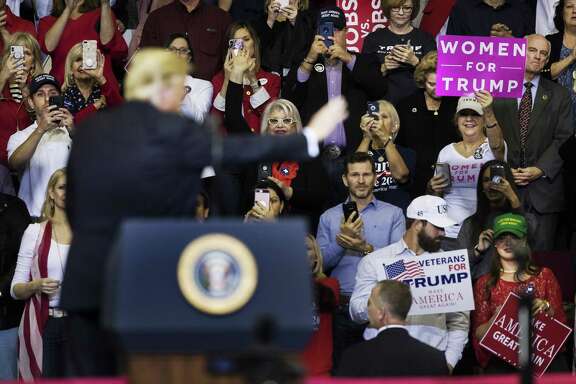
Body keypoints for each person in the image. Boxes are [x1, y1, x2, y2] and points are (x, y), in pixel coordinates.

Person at [59, 48, 349, 377]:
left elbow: (74, 206)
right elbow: (238, 149)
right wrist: (308, 137)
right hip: (143, 285)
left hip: (85, 280)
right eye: (180, 86)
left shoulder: (92, 130)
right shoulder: (172, 130)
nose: (183, 93)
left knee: (89, 378)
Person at [349, 195, 469, 373]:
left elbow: (459, 322)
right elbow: (355, 312)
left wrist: (448, 363)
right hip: (382, 364)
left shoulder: (450, 265)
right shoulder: (376, 261)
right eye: (437, 227)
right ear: (418, 224)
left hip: (431, 364)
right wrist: (386, 294)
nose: (443, 233)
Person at [284, 6, 388, 202]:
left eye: (337, 30)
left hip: (353, 157)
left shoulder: (362, 61)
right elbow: (291, 100)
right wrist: (309, 59)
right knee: (318, 214)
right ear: (316, 34)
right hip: (316, 159)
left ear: (346, 33)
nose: (331, 35)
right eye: (325, 30)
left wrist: (348, 58)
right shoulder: (306, 62)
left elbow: (379, 89)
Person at [316, 152, 405, 370]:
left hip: (380, 308)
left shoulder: (394, 214)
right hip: (340, 308)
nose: (361, 180)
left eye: (366, 174)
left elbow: (399, 266)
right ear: (346, 179)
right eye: (355, 175)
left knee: (381, 372)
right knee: (341, 371)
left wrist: (365, 249)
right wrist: (341, 243)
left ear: (375, 178)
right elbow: (320, 265)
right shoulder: (328, 217)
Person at [492, 34, 574, 251]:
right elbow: (487, 134)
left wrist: (539, 169)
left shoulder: (560, 95)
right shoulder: (496, 89)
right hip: (504, 186)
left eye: (543, 53)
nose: (538, 57)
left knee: (541, 260)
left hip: (544, 192)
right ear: (519, 52)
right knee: (503, 257)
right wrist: (507, 169)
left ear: (547, 61)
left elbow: (564, 137)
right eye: (532, 50)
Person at [472, 213, 567, 372]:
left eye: (514, 237)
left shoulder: (545, 276)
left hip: (540, 360)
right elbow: (478, 335)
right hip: (502, 361)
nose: (508, 243)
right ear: (495, 243)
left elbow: (561, 328)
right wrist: (497, 318)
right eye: (502, 237)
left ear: (524, 241)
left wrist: (545, 307)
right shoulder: (484, 283)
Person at [11, 169, 71, 380]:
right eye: (63, 187)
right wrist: (35, 286)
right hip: (48, 324)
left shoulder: (87, 231)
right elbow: (15, 289)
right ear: (51, 193)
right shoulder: (34, 231)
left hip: (82, 324)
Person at [428, 92, 505, 239]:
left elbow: (499, 148)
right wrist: (432, 187)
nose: (469, 119)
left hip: (483, 230)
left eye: (475, 114)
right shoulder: (446, 151)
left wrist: (488, 110)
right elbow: (437, 196)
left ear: (483, 120)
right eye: (464, 114)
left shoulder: (492, 147)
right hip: (449, 231)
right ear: (457, 120)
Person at [337, 280, 449, 377]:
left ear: (381, 313)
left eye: (370, 303)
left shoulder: (355, 357)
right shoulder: (435, 358)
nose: (368, 308)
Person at [7, 74, 74, 219]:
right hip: (32, 217)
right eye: (40, 94)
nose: (47, 99)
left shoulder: (72, 131)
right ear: (30, 102)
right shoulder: (20, 136)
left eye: (52, 94)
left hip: (69, 217)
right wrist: (41, 129)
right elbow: (14, 163)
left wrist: (74, 131)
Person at [396, 51, 459, 199]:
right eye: (431, 84)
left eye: (442, 83)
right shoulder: (406, 106)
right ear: (422, 81)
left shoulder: (457, 104)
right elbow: (399, 145)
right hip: (415, 182)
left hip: (454, 182)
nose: (437, 88)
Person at [451, 160, 528, 279]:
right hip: (481, 287)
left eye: (497, 179)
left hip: (516, 284)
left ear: (508, 182)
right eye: (486, 180)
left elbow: (532, 237)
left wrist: (512, 197)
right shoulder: (471, 223)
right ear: (481, 186)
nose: (492, 184)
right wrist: (478, 250)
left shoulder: (522, 217)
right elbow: (457, 263)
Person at [37, 0, 127, 88]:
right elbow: (48, 47)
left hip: (98, 86)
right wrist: (68, 9)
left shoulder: (101, 13)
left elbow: (107, 43)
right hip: (64, 87)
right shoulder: (48, 21)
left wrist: (105, 4)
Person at [362, 0, 436, 104]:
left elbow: (437, 78)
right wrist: (383, 68)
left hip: (418, 105)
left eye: (406, 8)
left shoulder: (425, 38)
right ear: (388, 9)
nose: (401, 13)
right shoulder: (373, 39)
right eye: (396, 8)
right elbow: (363, 78)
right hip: (384, 106)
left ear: (413, 10)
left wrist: (415, 62)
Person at [212, 22, 280, 134]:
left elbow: (271, 118)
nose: (242, 45)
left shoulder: (272, 79)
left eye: (246, 39)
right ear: (229, 48)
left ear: (254, 43)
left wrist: (253, 79)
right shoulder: (218, 80)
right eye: (236, 42)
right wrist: (227, 80)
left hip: (259, 144)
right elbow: (216, 120)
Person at [140, 0, 232, 81]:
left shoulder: (222, 19)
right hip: (164, 95)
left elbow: (232, 62)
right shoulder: (156, 19)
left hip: (213, 96)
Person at [356, 99, 415, 211]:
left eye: (384, 117)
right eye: (374, 116)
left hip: (397, 213)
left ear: (394, 127)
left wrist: (384, 138)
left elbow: (401, 177)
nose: (378, 121)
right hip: (367, 212)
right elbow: (355, 173)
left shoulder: (407, 153)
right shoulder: (362, 149)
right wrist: (366, 136)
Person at [0, 32, 44, 167]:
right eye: (17, 51)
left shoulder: (41, 86)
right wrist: (3, 76)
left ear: (33, 63)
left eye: (27, 53)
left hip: (28, 160)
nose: (22, 58)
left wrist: (25, 89)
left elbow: (41, 118)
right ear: (8, 57)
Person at [0, 193, 30, 380]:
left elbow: (25, 257)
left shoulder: (13, 208)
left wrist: (2, 290)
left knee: (7, 375)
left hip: (5, 315)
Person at [301, 234, 339, 376]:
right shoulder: (281, 286)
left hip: (319, 370)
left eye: (306, 248)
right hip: (288, 370)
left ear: (316, 256)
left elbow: (325, 298)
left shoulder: (330, 284)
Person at [62, 43, 123, 123]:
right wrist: (97, 104)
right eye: (78, 59)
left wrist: (101, 78)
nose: (83, 64)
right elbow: (73, 123)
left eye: (87, 60)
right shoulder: (67, 94)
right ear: (70, 68)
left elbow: (121, 112)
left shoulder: (104, 89)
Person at [252, 0, 315, 77]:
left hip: (296, 76)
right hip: (267, 77)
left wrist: (295, 20)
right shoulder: (260, 20)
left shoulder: (308, 20)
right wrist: (271, 20)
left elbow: (305, 48)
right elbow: (257, 50)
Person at [165, 33, 213, 123]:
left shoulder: (204, 85)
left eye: (183, 51)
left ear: (189, 58)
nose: (177, 54)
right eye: (172, 50)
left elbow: (198, 121)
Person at [544, 0, 576, 125]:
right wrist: (571, 58)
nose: (575, 10)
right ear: (562, 12)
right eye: (569, 6)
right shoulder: (550, 41)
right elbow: (543, 74)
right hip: (554, 114)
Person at [446, 0, 535, 38]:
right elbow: (451, 50)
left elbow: (533, 52)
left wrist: (513, 44)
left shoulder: (523, 9)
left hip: (512, 75)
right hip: (469, 74)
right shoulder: (462, 8)